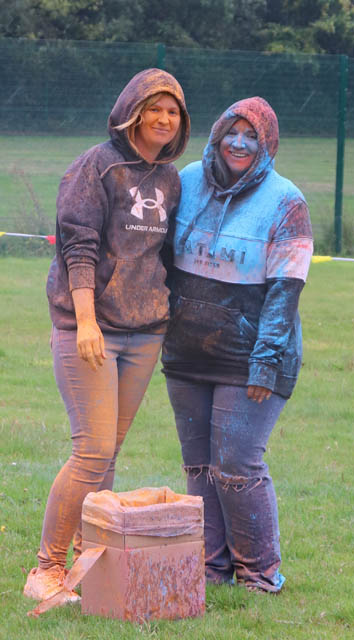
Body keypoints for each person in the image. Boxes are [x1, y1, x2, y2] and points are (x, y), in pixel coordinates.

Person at [23, 68, 190, 602]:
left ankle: (85, 563)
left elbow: (161, 254)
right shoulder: (96, 166)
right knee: (92, 451)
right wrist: (87, 319)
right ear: (133, 111)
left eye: (174, 111)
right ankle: (45, 571)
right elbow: (79, 245)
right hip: (89, 330)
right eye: (155, 108)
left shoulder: (170, 178)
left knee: (108, 453)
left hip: (145, 333)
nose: (164, 119)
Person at [162, 96, 313, 592]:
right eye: (232, 131)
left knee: (236, 465)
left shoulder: (286, 201)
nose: (239, 142)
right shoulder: (184, 181)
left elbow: (285, 292)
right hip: (185, 355)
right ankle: (212, 567)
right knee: (200, 466)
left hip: (251, 360)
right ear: (216, 133)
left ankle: (260, 572)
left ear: (267, 144)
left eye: (253, 135)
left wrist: (265, 365)